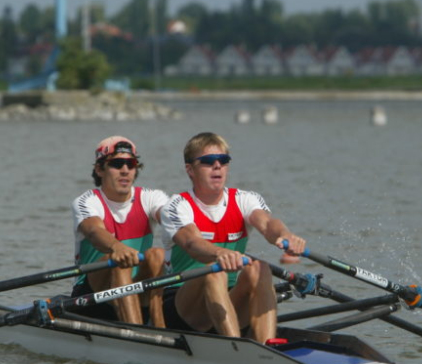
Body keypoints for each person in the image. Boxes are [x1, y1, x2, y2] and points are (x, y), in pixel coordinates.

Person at [160, 132, 306, 343]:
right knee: (214, 271)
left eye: (223, 161)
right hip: (184, 308)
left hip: (228, 300)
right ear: (190, 170)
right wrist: (220, 252)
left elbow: (267, 224)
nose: (217, 166)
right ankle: (235, 348)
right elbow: (192, 243)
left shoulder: (245, 199)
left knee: (260, 267)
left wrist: (285, 235)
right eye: (208, 161)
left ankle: (267, 347)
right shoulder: (176, 205)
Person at [71, 136, 168, 326]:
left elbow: (174, 218)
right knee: (116, 260)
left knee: (157, 254)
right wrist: (116, 247)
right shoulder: (87, 201)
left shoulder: (151, 197)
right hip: (94, 297)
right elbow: (94, 232)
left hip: (137, 291)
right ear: (100, 169)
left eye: (131, 164)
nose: (125, 170)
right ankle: (137, 335)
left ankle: (159, 329)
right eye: (117, 163)